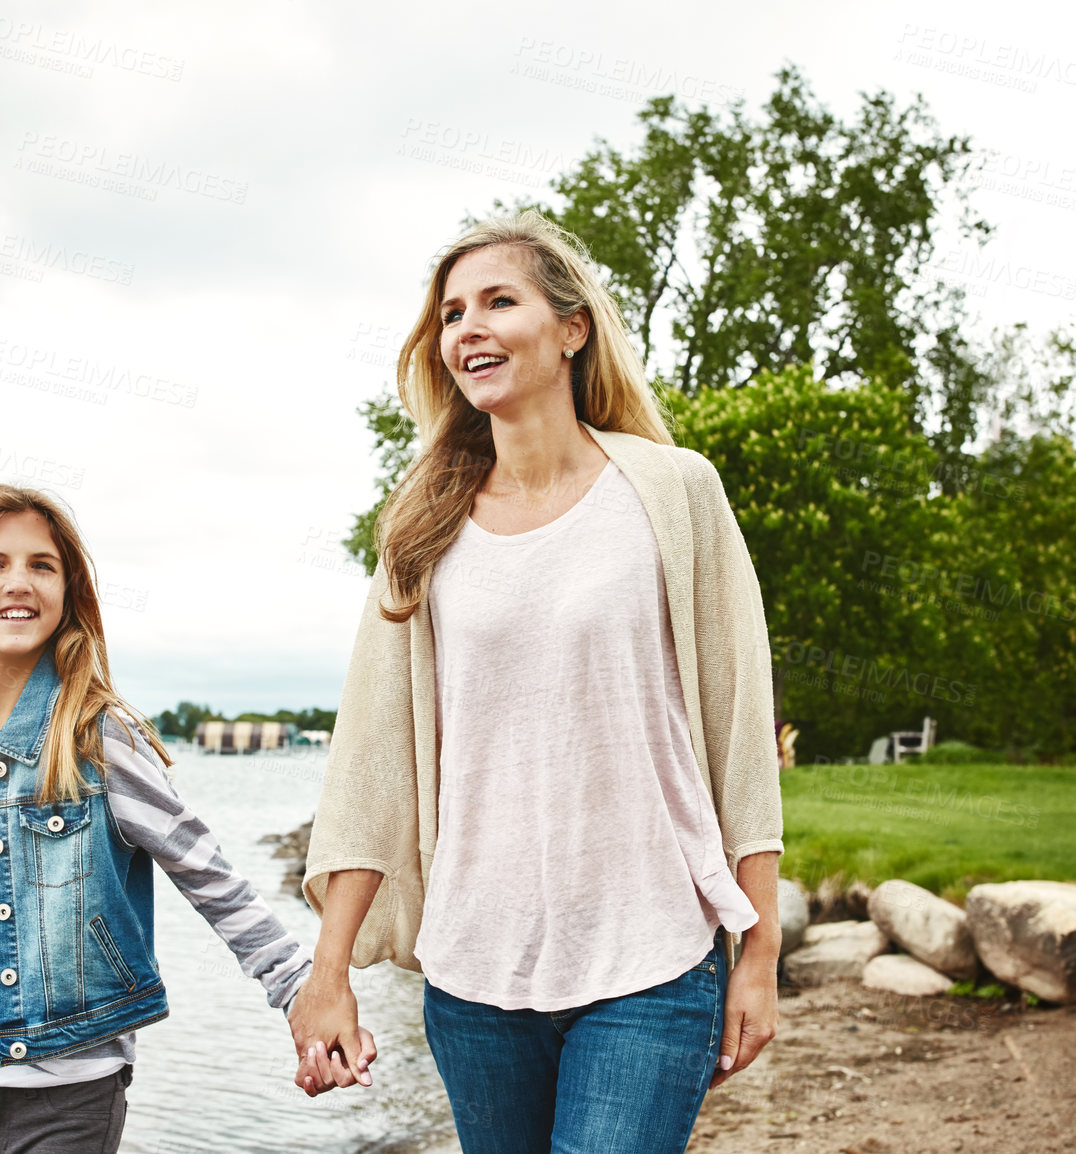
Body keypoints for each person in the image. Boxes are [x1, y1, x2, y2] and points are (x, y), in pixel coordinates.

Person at [287, 212, 784, 1153]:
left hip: (653, 956)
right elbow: (371, 762)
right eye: (450, 313)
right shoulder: (422, 527)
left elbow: (737, 725)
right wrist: (331, 970)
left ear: (571, 328)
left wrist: (759, 952)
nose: (466, 327)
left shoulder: (675, 492)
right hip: (474, 972)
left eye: (497, 301)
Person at [0, 486, 354, 1153]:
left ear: (68, 593)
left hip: (69, 1101)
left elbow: (216, 883)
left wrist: (304, 999)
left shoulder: (97, 739)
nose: (18, 581)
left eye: (41, 565)